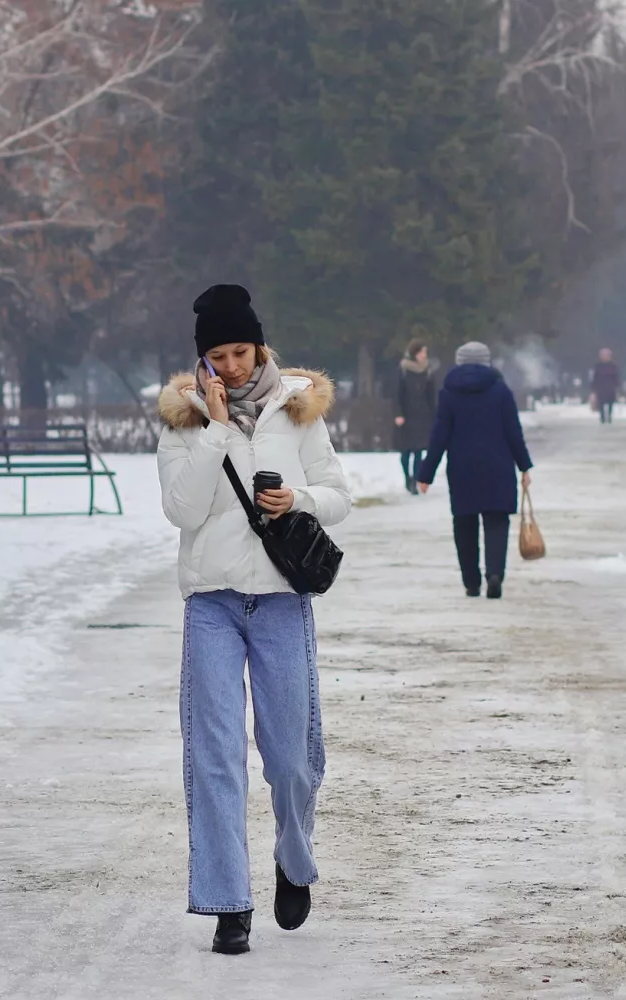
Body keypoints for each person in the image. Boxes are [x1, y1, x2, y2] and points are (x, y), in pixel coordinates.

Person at [156, 283, 353, 956]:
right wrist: (214, 431)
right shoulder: (182, 418)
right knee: (214, 757)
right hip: (211, 603)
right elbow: (182, 512)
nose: (233, 365)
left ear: (259, 346)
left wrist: (295, 497)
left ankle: (293, 858)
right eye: (218, 354)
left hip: (278, 601)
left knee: (291, 757)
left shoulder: (297, 410)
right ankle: (227, 902)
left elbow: (339, 497)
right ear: (203, 360)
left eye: (241, 350)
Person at [416, 342, 534, 599]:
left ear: (459, 362)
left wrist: (426, 474)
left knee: (465, 523)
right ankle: (494, 574)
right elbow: (514, 432)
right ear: (486, 362)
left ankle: (471, 582)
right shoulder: (501, 391)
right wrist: (524, 466)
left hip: (462, 468)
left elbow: (439, 436)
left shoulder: (448, 393)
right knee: (496, 522)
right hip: (498, 466)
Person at [394, 339, 436, 494]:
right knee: (405, 452)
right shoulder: (403, 369)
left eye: (425, 352)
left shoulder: (427, 370)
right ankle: (407, 477)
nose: (424, 355)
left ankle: (415, 481)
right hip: (406, 415)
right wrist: (398, 413)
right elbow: (397, 393)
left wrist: (434, 415)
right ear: (415, 353)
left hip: (422, 416)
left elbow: (431, 395)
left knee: (419, 451)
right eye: (422, 352)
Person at [590, 347, 622, 425]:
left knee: (610, 403)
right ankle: (602, 418)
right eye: (603, 355)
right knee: (601, 403)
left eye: (606, 355)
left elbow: (616, 377)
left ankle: (609, 417)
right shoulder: (598, 366)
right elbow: (595, 377)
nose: (604, 357)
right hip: (600, 388)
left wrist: (618, 386)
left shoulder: (613, 366)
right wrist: (593, 387)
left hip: (610, 388)